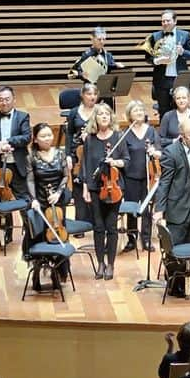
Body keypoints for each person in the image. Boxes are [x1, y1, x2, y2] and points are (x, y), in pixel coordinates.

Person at [153, 116, 190, 297]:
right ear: (182, 135)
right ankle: (175, 286)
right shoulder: (171, 152)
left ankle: (186, 281)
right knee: (175, 248)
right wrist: (159, 209)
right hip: (177, 206)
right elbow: (164, 183)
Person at [80, 102, 127, 279]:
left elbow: (126, 161)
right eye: (100, 114)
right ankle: (100, 263)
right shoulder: (90, 140)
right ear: (96, 118)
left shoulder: (118, 137)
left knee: (112, 227)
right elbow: (85, 165)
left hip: (114, 188)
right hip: (94, 187)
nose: (104, 116)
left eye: (107, 114)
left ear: (111, 117)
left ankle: (111, 265)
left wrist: (114, 162)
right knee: (98, 227)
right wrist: (85, 186)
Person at [0, 85, 32, 245]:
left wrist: (8, 142)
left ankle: (29, 230)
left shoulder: (23, 116)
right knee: (2, 200)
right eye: (1, 100)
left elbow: (26, 137)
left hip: (17, 165)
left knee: (25, 199)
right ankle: (7, 232)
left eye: (7, 99)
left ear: (13, 100)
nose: (4, 103)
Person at [24, 122, 72, 289]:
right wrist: (34, 200)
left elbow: (65, 176)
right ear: (35, 139)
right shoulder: (31, 157)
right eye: (43, 136)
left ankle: (57, 273)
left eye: (49, 135)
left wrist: (58, 193)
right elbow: (30, 179)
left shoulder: (60, 154)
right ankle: (36, 274)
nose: (47, 138)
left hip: (56, 203)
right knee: (40, 237)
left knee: (59, 237)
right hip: (40, 202)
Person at [121, 99, 159, 253]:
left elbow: (160, 151)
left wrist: (154, 152)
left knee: (147, 210)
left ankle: (146, 239)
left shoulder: (151, 131)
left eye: (141, 110)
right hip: (131, 177)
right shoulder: (125, 134)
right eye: (135, 111)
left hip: (148, 177)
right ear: (130, 115)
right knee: (132, 209)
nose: (139, 113)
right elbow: (123, 155)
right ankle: (131, 239)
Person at [146, 9, 190, 118]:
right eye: (163, 21)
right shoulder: (155, 36)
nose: (165, 23)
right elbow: (148, 58)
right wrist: (157, 61)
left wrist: (183, 52)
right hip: (162, 79)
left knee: (181, 109)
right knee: (163, 110)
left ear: (175, 21)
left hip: (180, 78)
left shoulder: (185, 35)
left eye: (168, 21)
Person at [66, 81, 98, 225]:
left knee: (95, 184)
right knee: (78, 187)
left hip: (95, 152)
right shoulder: (74, 112)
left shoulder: (100, 111)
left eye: (94, 94)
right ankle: (80, 222)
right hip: (78, 153)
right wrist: (68, 155)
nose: (92, 97)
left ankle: (94, 220)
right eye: (89, 94)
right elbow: (69, 134)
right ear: (82, 95)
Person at [67, 26, 124, 104]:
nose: (102, 42)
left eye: (104, 39)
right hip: (91, 92)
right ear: (92, 38)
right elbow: (70, 74)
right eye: (99, 39)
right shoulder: (86, 55)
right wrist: (81, 75)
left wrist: (117, 67)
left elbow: (110, 72)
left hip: (106, 92)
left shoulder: (108, 55)